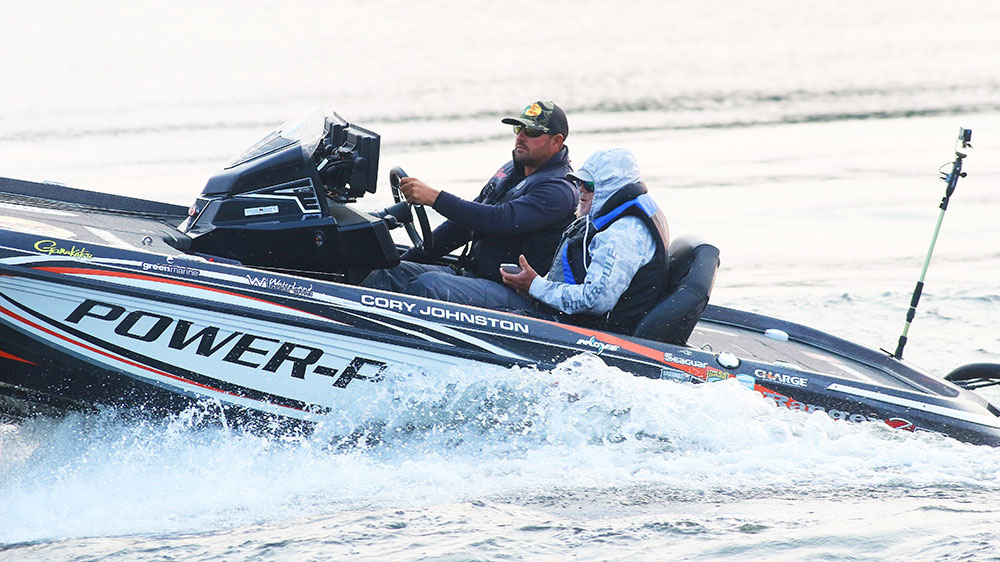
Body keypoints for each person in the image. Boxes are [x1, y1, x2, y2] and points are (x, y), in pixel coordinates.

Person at [415, 148, 671, 334]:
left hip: (586, 333)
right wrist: (534, 284)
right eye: (579, 183)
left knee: (429, 286)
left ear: (612, 187)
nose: (581, 190)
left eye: (589, 185)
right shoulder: (606, 219)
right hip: (560, 315)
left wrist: (536, 286)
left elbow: (595, 301)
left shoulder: (623, 234)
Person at [361, 101, 578, 295]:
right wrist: (408, 259)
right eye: (518, 129)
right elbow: (462, 225)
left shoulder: (559, 190)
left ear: (556, 141)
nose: (520, 137)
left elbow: (500, 220)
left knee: (428, 285)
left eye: (531, 132)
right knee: (388, 273)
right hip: (473, 274)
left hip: (513, 292)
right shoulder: (511, 170)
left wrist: (434, 198)